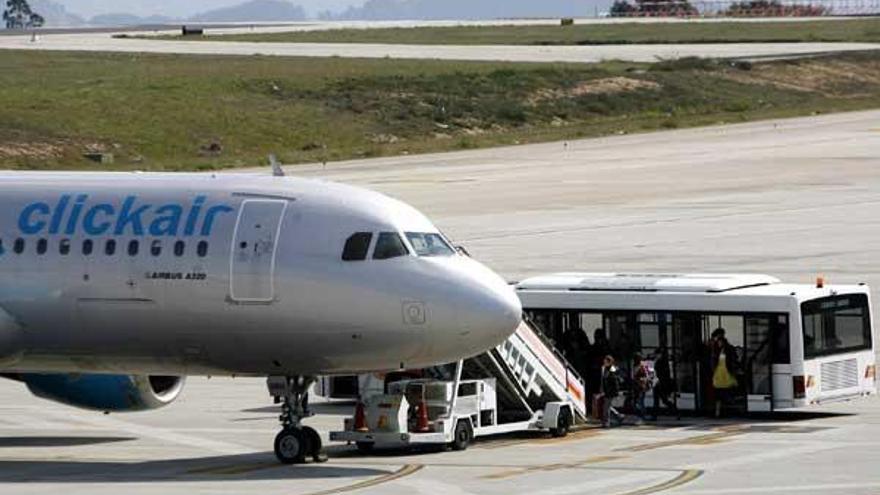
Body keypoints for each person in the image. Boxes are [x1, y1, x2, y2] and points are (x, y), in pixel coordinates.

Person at [710, 328, 740, 418]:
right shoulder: (715, 350)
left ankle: (723, 410)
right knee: (719, 393)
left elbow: (733, 360)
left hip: (726, 373)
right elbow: (713, 361)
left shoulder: (728, 349)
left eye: (719, 341)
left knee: (725, 392)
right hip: (719, 374)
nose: (717, 343)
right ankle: (718, 412)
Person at [650, 345, 678, 420]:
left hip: (662, 384)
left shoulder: (661, 362)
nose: (656, 355)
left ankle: (675, 412)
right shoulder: (662, 361)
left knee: (663, 400)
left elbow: (663, 374)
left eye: (657, 354)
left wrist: (659, 381)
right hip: (661, 383)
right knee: (662, 400)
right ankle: (655, 415)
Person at [600, 355, 624, 427]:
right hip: (607, 391)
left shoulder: (612, 369)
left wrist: (616, 391)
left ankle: (606, 422)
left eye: (606, 361)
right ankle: (619, 416)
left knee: (606, 407)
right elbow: (603, 380)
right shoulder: (605, 369)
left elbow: (614, 381)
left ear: (609, 362)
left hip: (610, 391)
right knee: (607, 406)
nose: (604, 362)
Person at [632, 353, 650, 424]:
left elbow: (646, 376)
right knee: (637, 402)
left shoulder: (642, 366)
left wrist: (641, 381)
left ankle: (641, 418)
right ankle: (641, 417)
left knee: (640, 402)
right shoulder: (635, 366)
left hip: (641, 387)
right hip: (637, 386)